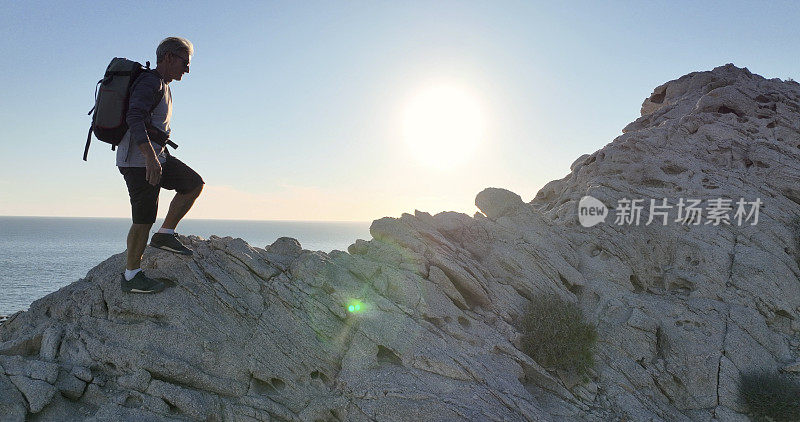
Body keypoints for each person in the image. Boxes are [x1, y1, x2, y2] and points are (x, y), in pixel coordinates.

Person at [117, 37, 204, 294]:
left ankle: (165, 234)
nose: (187, 69)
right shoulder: (150, 82)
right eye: (184, 62)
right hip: (138, 161)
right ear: (168, 57)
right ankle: (132, 276)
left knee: (192, 184)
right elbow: (134, 116)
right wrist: (149, 157)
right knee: (143, 218)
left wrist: (156, 155)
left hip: (156, 156)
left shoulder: (163, 85)